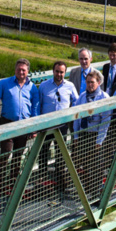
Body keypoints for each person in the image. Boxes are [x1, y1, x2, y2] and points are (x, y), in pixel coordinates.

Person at [0, 58, 40, 195]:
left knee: (18, 155)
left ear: (28, 71)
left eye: (23, 70)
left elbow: (35, 108)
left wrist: (34, 127)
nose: (21, 72)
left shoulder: (32, 87)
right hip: (7, 123)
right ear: (15, 70)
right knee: (5, 153)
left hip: (24, 125)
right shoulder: (5, 83)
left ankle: (13, 184)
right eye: (18, 69)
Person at [38, 60, 78, 192]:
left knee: (60, 153)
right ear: (53, 71)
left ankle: (60, 182)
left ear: (65, 73)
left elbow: (76, 101)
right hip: (46, 125)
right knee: (43, 152)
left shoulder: (70, 86)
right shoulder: (44, 86)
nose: (59, 74)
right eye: (57, 71)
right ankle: (42, 180)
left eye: (61, 72)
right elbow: (39, 105)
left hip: (62, 126)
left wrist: (71, 115)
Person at [71, 71, 111, 193]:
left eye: (92, 82)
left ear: (98, 82)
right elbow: (76, 118)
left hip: (95, 135)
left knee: (96, 165)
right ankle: (87, 189)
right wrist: (76, 136)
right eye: (88, 82)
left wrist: (99, 141)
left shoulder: (104, 97)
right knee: (85, 163)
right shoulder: (82, 97)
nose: (90, 85)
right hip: (84, 134)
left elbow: (105, 121)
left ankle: (96, 189)